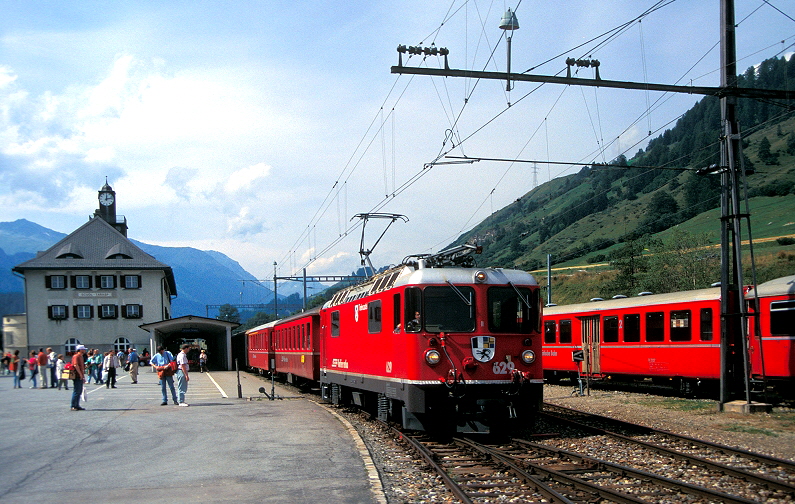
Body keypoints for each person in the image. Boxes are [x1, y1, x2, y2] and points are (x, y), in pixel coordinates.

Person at [71, 345, 87, 411]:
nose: (85, 350)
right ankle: (73, 405)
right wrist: (80, 374)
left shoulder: (81, 356)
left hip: (80, 375)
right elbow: (76, 365)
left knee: (79, 391)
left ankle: (77, 405)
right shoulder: (76, 356)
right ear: (80, 350)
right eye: (83, 349)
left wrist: (83, 376)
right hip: (77, 375)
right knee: (76, 391)